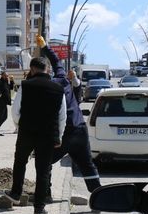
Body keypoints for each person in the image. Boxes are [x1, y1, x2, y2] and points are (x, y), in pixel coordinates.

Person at [35, 35, 101, 200]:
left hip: (63, 134)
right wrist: (45, 47)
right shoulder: (63, 79)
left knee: (45, 161)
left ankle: (45, 194)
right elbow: (57, 61)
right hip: (80, 130)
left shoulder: (46, 88)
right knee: (87, 165)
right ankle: (100, 197)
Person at [3, 55, 66, 214]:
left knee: (20, 161)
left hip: (27, 132)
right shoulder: (58, 89)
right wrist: (58, 136)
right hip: (47, 135)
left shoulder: (25, 85)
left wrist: (20, 126)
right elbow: (62, 117)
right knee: (43, 170)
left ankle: (16, 193)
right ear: (47, 69)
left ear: (32, 69)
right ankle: (39, 208)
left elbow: (15, 111)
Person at [0, 70, 15, 135]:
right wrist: (0, 94)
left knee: (5, 117)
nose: (7, 77)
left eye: (7, 76)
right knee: (0, 116)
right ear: (2, 75)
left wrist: (12, 80)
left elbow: (11, 87)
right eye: (5, 76)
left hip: (4, 102)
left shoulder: (5, 82)